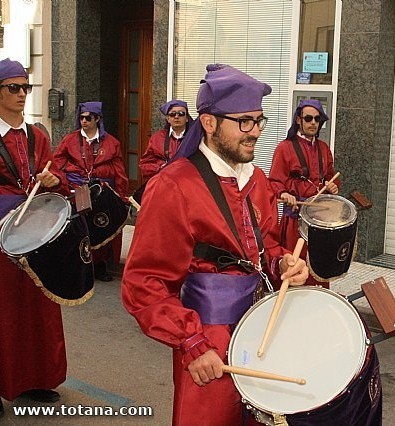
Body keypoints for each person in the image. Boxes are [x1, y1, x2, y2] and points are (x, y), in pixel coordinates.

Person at [121, 64, 309, 426]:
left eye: (259, 121)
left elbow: (264, 246)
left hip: (259, 331)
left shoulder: (256, 178)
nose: (255, 132)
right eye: (244, 122)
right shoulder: (173, 186)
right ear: (209, 123)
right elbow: (143, 283)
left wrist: (282, 263)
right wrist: (191, 342)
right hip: (208, 341)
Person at [0, 58, 69, 416]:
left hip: (37, 237)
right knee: (4, 313)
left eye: (26, 88)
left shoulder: (38, 135)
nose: (22, 94)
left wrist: (54, 181)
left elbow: (56, 173)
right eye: (13, 88)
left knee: (40, 310)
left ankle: (38, 379)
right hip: (1, 239)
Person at [53, 101, 129, 281]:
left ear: (98, 119)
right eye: (81, 117)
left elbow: (119, 171)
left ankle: (101, 265)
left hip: (103, 191)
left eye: (88, 118)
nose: (84, 121)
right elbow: (57, 161)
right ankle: (81, 264)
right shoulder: (70, 140)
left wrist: (122, 195)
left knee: (102, 224)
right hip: (77, 190)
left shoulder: (112, 142)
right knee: (81, 227)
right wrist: (72, 174)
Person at [269, 99, 340, 288]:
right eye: (308, 118)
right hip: (294, 221)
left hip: (319, 221)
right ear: (299, 120)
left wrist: (332, 186)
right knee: (293, 269)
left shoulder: (324, 149)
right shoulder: (284, 148)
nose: (313, 123)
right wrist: (284, 194)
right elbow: (274, 182)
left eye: (317, 119)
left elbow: (332, 177)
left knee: (319, 267)